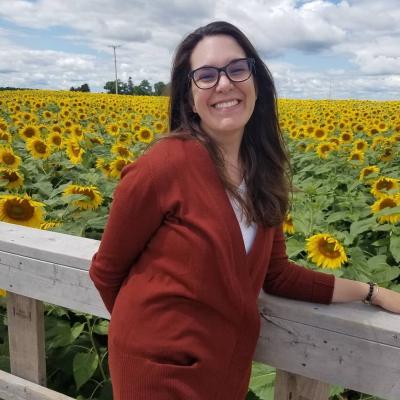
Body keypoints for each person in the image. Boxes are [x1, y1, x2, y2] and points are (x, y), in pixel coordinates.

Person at [89, 21, 400, 400]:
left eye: (237, 69)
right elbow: (106, 271)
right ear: (189, 97)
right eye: (206, 75)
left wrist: (372, 292)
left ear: (256, 82)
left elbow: (278, 275)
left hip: (226, 370)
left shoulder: (262, 173)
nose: (224, 84)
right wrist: (155, 340)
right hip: (157, 377)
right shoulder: (161, 167)